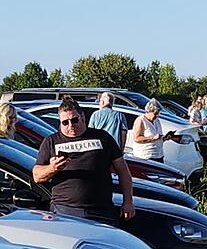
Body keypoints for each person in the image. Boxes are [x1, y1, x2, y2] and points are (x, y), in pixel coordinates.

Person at [32, 96, 135, 226]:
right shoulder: (51, 141)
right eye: (65, 122)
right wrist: (52, 168)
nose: (71, 125)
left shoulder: (103, 138)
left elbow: (123, 171)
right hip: (65, 210)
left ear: (83, 117)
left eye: (74, 120)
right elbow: (37, 176)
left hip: (101, 211)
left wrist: (128, 201)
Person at [131, 99, 177, 163]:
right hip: (146, 157)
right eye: (155, 114)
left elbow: (157, 138)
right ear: (149, 111)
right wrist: (152, 137)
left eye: (158, 113)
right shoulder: (140, 121)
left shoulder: (157, 120)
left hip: (159, 155)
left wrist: (164, 138)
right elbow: (137, 138)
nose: (157, 116)